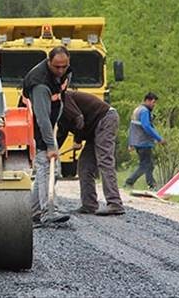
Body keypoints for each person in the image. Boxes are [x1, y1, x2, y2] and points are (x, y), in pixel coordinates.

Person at [22, 46, 72, 226]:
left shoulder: (65, 72)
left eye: (64, 67)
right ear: (48, 62)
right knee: (48, 166)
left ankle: (34, 211)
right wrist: (50, 145)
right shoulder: (40, 83)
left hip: (49, 125)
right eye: (56, 67)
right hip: (36, 127)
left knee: (48, 170)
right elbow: (42, 118)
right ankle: (48, 210)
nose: (60, 71)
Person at [56, 90, 125, 216]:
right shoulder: (56, 110)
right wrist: (53, 149)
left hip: (105, 119)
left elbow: (79, 119)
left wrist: (77, 140)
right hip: (93, 129)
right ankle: (89, 204)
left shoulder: (64, 98)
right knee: (84, 166)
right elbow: (62, 131)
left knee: (104, 160)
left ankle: (115, 203)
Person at [125, 92, 165, 191]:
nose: (154, 105)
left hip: (138, 141)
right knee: (145, 165)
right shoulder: (144, 111)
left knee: (148, 165)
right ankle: (130, 182)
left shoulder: (137, 110)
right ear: (147, 100)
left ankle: (151, 185)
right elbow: (146, 126)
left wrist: (131, 142)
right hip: (144, 142)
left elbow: (132, 127)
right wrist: (159, 138)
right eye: (153, 102)